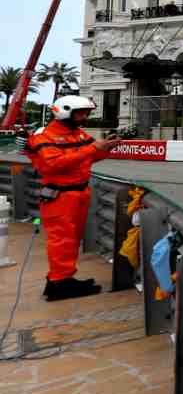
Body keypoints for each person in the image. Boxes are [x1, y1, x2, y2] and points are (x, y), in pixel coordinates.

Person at [24, 96, 120, 302]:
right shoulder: (44, 136)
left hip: (77, 193)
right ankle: (59, 283)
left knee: (72, 239)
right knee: (62, 239)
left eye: (86, 112)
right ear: (64, 111)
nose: (84, 116)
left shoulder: (77, 134)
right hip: (60, 195)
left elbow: (90, 156)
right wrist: (94, 148)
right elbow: (54, 164)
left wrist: (107, 148)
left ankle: (63, 279)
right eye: (80, 113)